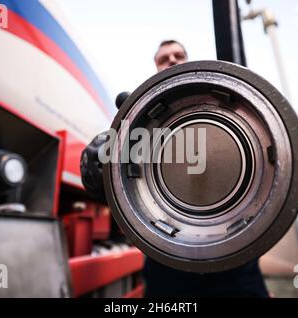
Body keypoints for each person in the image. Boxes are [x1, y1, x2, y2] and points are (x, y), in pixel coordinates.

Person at [81, 40, 269, 297]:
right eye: (163, 58)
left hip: (235, 269)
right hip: (167, 269)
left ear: (188, 60)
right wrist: (101, 161)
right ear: (156, 69)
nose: (172, 59)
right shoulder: (142, 129)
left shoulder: (228, 111)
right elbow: (115, 184)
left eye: (178, 55)